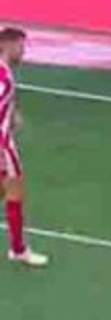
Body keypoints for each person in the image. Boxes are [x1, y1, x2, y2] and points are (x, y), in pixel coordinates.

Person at [0, 28, 48, 268]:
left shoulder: (4, 73)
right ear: (7, 45)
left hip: (4, 141)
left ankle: (18, 248)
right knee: (14, 192)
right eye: (20, 46)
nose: (23, 52)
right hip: (2, 145)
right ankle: (18, 249)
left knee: (10, 191)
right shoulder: (2, 77)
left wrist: (13, 112)